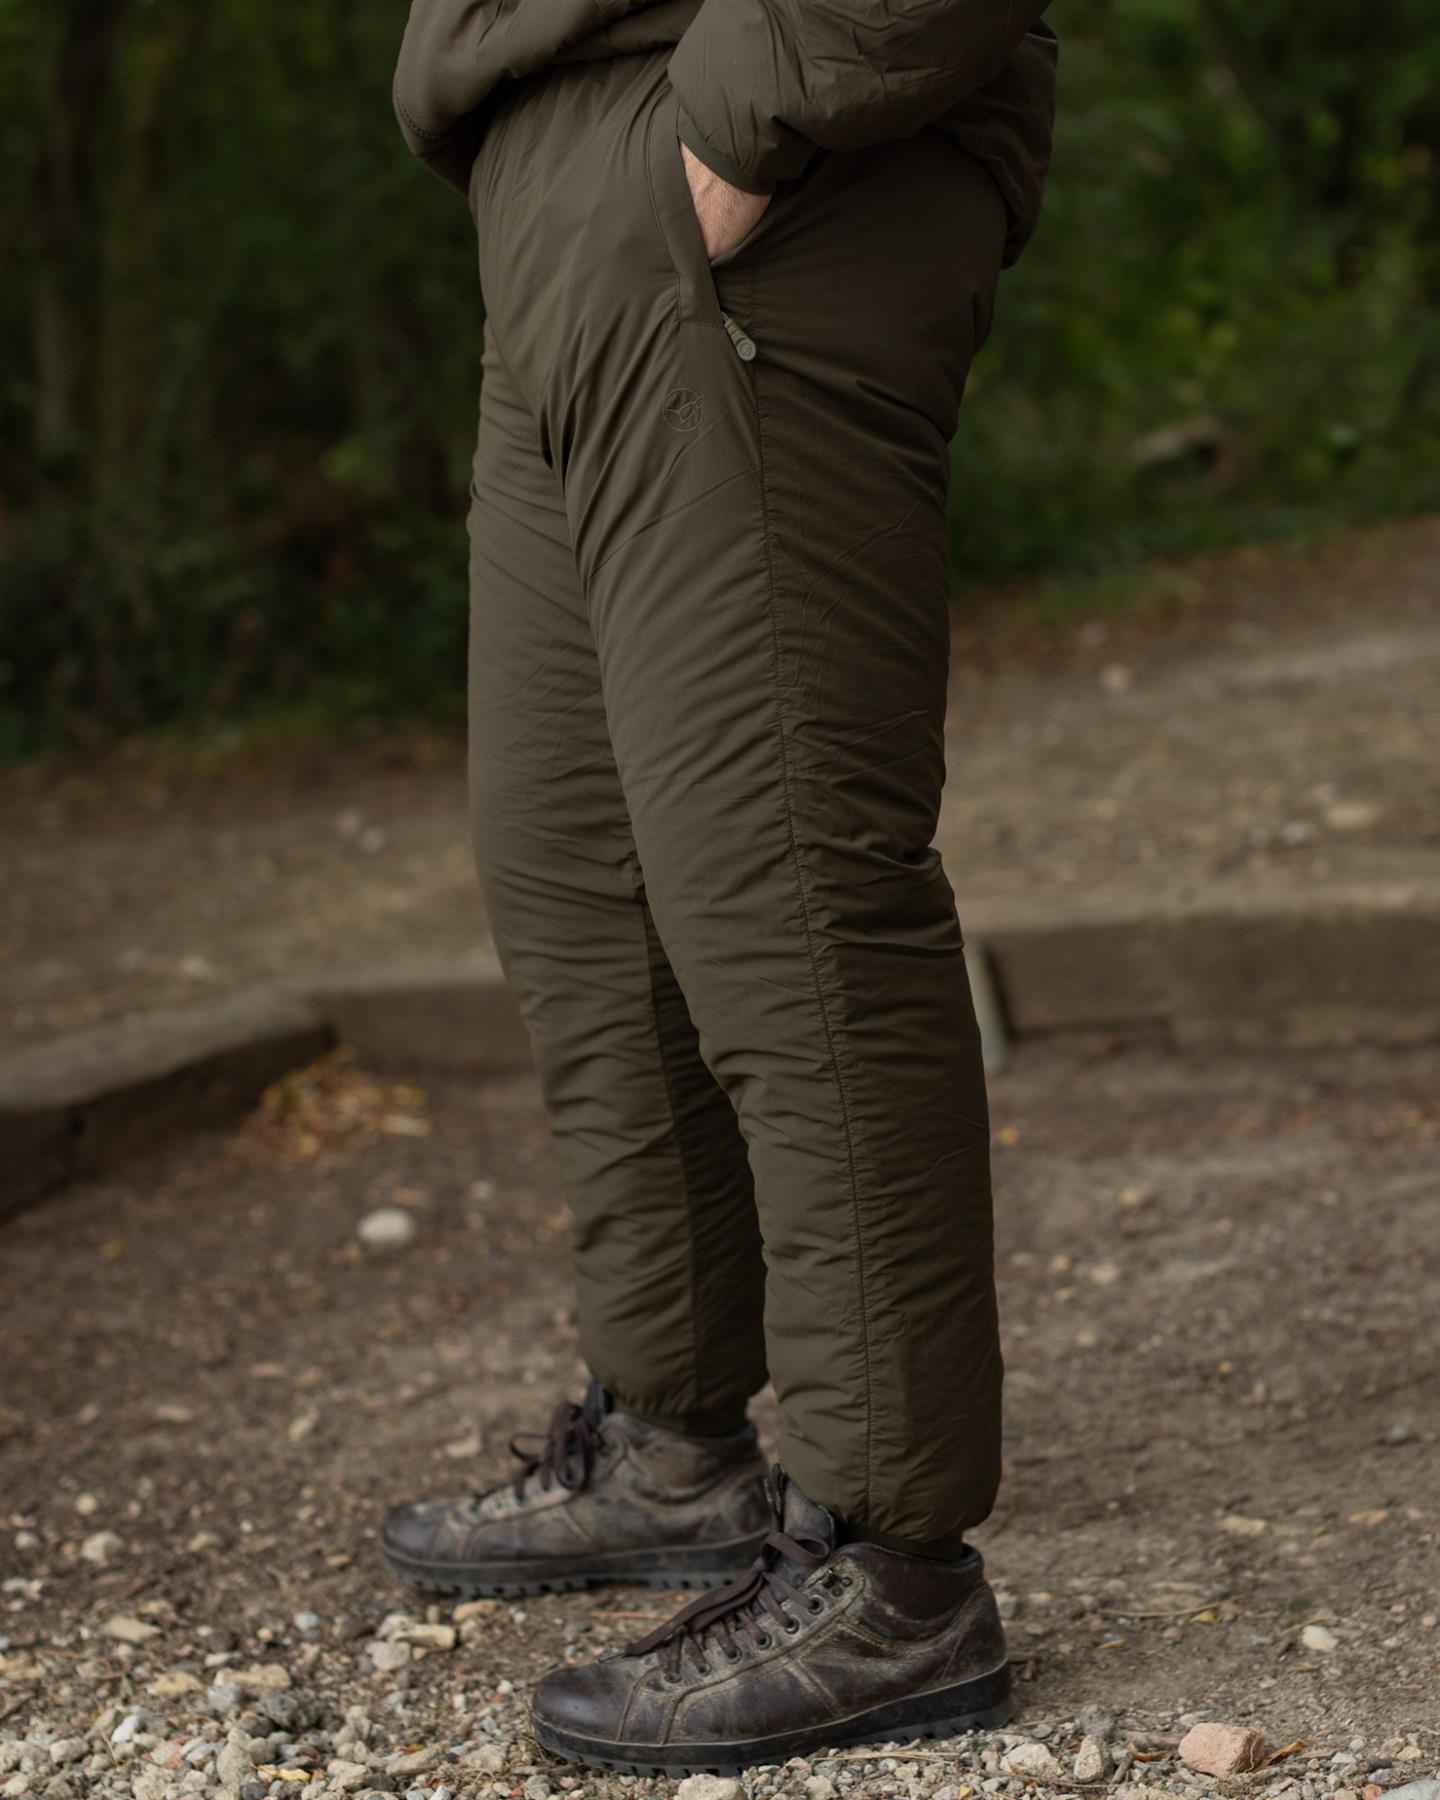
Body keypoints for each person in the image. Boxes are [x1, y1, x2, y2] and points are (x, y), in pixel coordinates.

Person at [383, 0, 1057, 1770]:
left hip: (764, 175)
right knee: (580, 870)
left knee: (785, 888)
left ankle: (891, 1565)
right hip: (565, 215)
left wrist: (756, 110)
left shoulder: (751, 133)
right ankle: (672, 1439)